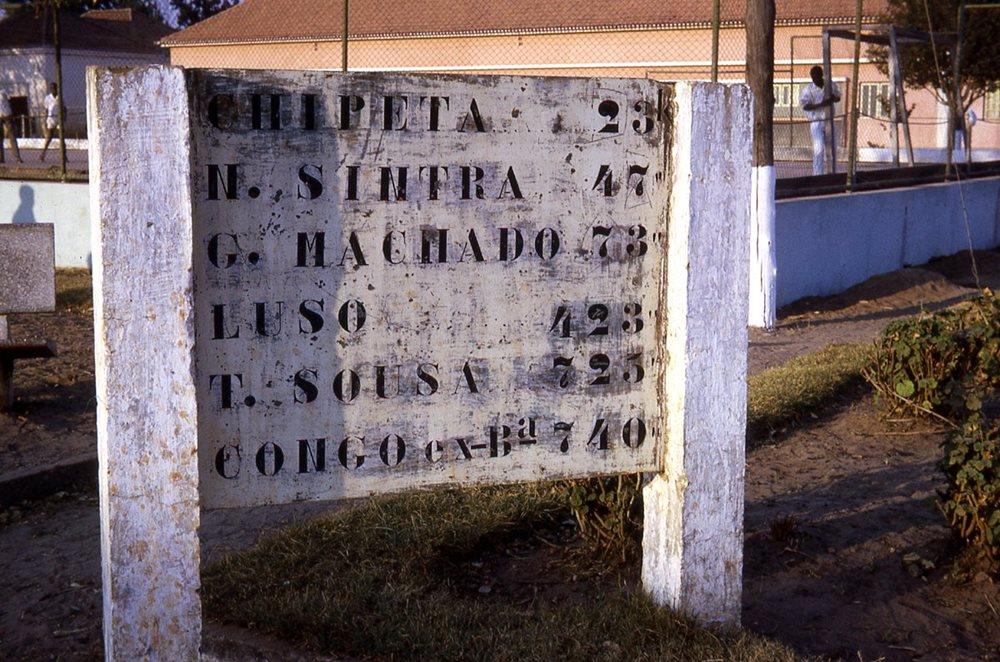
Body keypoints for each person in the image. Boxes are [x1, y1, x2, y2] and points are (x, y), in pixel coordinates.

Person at [800, 65, 841, 176]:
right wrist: (820, 105)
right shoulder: (808, 89)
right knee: (818, 149)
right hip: (816, 121)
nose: (814, 79)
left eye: (816, 76)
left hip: (829, 120)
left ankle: (833, 173)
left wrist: (833, 98)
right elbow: (805, 106)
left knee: (832, 148)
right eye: (812, 77)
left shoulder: (830, 85)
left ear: (821, 75)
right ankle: (818, 175)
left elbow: (838, 97)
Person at [0, 87, 23, 164]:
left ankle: (17, 157)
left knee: (12, 136)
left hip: (7, 115)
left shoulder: (3, 91)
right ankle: (1, 158)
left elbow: (11, 101)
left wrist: (12, 113)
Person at [39, 82, 60, 162]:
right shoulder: (48, 98)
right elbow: (46, 109)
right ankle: (42, 154)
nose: (53, 90)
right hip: (51, 119)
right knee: (49, 138)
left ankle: (64, 156)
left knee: (61, 137)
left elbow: (64, 108)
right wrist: (45, 120)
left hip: (59, 119)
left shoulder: (59, 97)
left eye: (54, 88)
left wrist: (64, 117)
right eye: (52, 88)